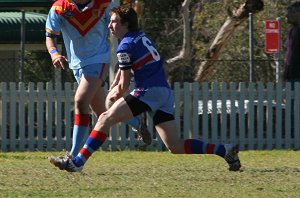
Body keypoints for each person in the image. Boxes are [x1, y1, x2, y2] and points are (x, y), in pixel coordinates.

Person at [48, 4, 241, 172]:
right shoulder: (139, 37)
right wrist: (118, 86)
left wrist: (114, 95)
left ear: (126, 24)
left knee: (105, 118)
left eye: (114, 21)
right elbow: (130, 69)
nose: (109, 25)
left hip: (148, 91)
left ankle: (77, 162)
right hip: (164, 93)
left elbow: (123, 85)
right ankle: (223, 150)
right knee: (174, 145)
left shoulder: (124, 46)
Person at [45, 0, 150, 157]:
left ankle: (73, 156)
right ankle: (137, 122)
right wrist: (54, 54)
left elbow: (122, 29)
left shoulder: (105, 4)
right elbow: (50, 36)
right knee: (104, 114)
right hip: (76, 65)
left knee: (80, 101)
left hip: (98, 61)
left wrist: (125, 57)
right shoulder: (59, 7)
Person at [284, 2, 300, 134]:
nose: (287, 15)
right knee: (292, 108)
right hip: (291, 76)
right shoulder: (291, 31)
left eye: (290, 12)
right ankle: (293, 135)